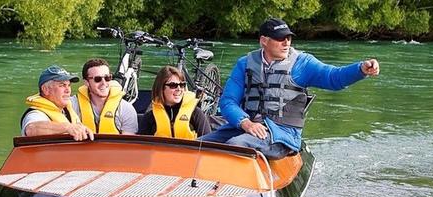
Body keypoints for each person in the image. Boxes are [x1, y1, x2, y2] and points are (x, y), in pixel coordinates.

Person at [200, 18, 380, 159]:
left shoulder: (303, 63)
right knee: (196, 145)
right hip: (246, 127)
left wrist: (361, 69)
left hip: (282, 135)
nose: (286, 42)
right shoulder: (244, 63)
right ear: (264, 41)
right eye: (280, 38)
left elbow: (333, 78)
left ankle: (234, 194)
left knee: (236, 144)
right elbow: (228, 101)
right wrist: (245, 123)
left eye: (289, 37)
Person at [21, 65, 94, 141]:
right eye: (62, 85)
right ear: (45, 89)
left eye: (69, 85)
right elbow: (31, 129)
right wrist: (67, 127)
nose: (68, 90)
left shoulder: (67, 110)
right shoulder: (36, 114)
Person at [138, 66, 211, 139]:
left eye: (182, 85)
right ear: (161, 88)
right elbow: (140, 146)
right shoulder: (150, 116)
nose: (179, 89)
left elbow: (208, 143)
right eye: (173, 85)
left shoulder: (196, 114)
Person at [71, 58, 138, 134]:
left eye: (107, 78)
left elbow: (127, 143)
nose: (104, 83)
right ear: (86, 82)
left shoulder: (126, 109)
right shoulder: (71, 105)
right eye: (97, 79)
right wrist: (67, 127)